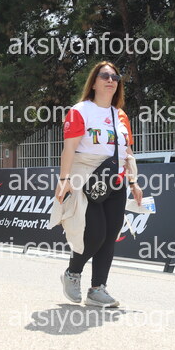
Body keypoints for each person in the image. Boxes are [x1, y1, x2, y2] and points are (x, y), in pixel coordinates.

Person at [50, 61, 143, 308]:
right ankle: (73, 273)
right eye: (104, 76)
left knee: (110, 236)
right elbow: (69, 148)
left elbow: (127, 151)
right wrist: (64, 179)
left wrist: (134, 182)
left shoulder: (120, 115)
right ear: (93, 82)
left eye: (115, 77)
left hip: (115, 181)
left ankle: (97, 289)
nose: (111, 80)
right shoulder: (80, 111)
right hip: (85, 178)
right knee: (95, 234)